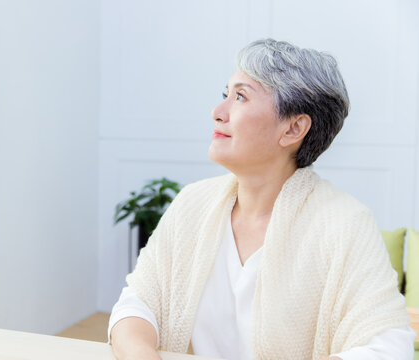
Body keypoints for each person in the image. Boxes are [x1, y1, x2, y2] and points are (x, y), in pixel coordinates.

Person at [107, 39, 416, 360]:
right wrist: (142, 354)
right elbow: (138, 301)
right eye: (224, 95)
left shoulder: (344, 223)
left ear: (294, 128)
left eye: (240, 96)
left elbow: (389, 347)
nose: (217, 112)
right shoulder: (192, 203)